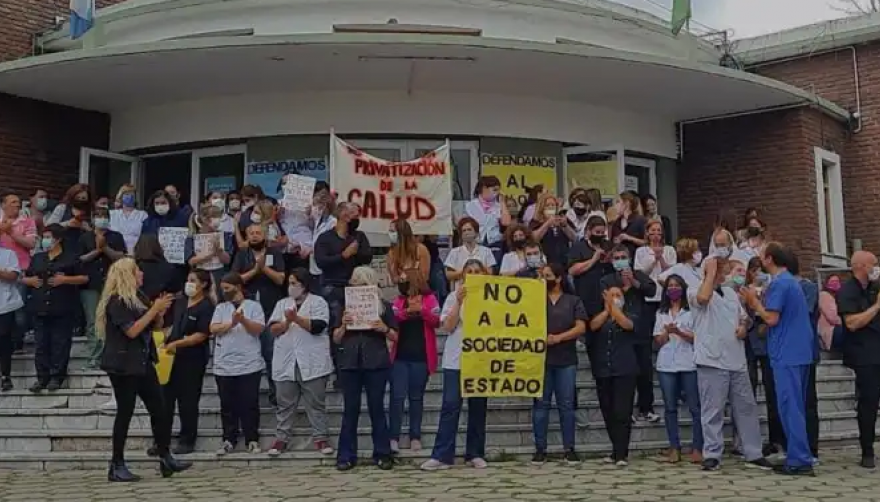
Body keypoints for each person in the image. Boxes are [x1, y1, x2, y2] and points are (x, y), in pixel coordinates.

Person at [96, 257, 190, 481]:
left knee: (160, 407)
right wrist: (153, 310)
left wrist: (158, 313)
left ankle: (165, 456)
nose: (141, 274)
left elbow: (153, 326)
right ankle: (116, 463)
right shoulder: (117, 302)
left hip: (143, 360)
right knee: (125, 412)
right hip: (122, 364)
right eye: (137, 271)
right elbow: (132, 331)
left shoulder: (139, 298)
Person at [689, 229, 772, 472]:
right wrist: (710, 270)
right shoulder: (694, 291)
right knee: (712, 410)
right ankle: (712, 453)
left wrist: (744, 327)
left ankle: (753, 452)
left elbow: (745, 319)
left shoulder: (731, 295)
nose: (722, 273)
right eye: (718, 270)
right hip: (711, 360)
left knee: (746, 408)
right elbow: (704, 299)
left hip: (736, 361)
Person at [740, 243, 815, 476]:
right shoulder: (790, 281)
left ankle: (799, 459)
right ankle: (797, 454)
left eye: (762, 256)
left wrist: (754, 302)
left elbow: (771, 318)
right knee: (795, 406)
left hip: (788, 352)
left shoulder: (781, 283)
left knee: (789, 406)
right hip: (799, 350)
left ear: (770, 259)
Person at [421, 259, 490, 471]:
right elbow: (447, 327)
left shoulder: (491, 297)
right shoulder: (453, 296)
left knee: (478, 407)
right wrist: (459, 302)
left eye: (477, 271)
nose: (474, 274)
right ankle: (442, 455)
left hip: (481, 359)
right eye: (469, 271)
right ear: (463, 275)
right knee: (450, 406)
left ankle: (475, 453)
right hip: (456, 359)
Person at [332, 266, 397, 471]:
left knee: (377, 408)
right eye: (354, 284)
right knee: (350, 409)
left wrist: (383, 328)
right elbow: (335, 337)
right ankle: (346, 455)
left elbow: (396, 336)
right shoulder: (343, 306)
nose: (357, 288)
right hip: (350, 362)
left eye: (361, 284)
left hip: (376, 361)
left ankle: (382, 453)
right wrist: (343, 325)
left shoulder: (384, 307)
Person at [267, 268, 334, 456]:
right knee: (285, 403)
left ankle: (321, 438)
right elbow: (273, 330)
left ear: (304, 285)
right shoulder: (282, 304)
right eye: (289, 283)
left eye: (294, 283)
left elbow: (318, 327)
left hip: (312, 360)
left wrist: (296, 318)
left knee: (315, 403)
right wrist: (287, 322)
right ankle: (281, 438)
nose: (291, 287)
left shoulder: (318, 302)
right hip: (286, 359)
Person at [532, 262, 587, 465]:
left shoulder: (573, 301)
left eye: (548, 275)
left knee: (566, 405)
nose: (545, 279)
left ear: (559, 278)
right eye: (543, 275)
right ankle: (540, 448)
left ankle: (569, 448)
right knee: (541, 405)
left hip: (566, 360)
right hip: (541, 360)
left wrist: (559, 338)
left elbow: (581, 327)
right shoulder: (536, 300)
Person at [22, 224, 88, 392]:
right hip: (39, 305)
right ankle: (41, 378)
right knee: (41, 344)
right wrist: (29, 282)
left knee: (60, 343)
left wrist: (65, 280)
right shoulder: (38, 258)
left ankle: (57, 376)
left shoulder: (71, 257)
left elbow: (84, 278)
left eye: (49, 237)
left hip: (62, 306)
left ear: (58, 239)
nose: (46, 240)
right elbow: (25, 276)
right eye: (44, 237)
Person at [210, 272, 266, 455]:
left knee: (249, 403)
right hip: (224, 365)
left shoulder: (254, 306)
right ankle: (228, 439)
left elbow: (259, 329)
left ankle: (252, 439)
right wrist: (232, 324)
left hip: (249, 364)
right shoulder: (220, 308)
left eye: (227, 288)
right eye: (222, 288)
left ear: (238, 287)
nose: (224, 291)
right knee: (227, 405)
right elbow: (214, 328)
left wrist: (243, 321)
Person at [601, 244, 658, 422]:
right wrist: (624, 289)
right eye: (616, 258)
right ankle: (627, 410)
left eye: (622, 257)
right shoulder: (607, 279)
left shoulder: (639, 274)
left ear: (629, 258)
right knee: (625, 373)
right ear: (611, 261)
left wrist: (633, 283)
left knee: (644, 370)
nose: (620, 261)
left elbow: (651, 290)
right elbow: (607, 299)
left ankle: (646, 408)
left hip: (640, 330)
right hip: (618, 332)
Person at [160, 270, 214, 455]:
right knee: (165, 401)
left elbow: (201, 334)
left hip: (192, 359)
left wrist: (178, 343)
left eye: (193, 280)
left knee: (188, 401)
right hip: (171, 359)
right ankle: (162, 440)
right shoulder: (181, 302)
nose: (189, 284)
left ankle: (187, 440)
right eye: (187, 280)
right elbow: (173, 325)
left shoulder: (206, 306)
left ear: (204, 284)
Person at [231, 224, 285, 404]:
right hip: (247, 309)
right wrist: (255, 270)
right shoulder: (242, 255)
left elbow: (280, 279)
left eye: (258, 233)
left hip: (270, 308)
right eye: (251, 233)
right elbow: (235, 281)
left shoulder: (274, 253)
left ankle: (275, 392)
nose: (254, 236)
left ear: (264, 235)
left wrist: (265, 268)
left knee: (270, 352)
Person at [836, 250, 880, 469]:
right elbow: (852, 323)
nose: (876, 268)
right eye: (874, 264)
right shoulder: (847, 291)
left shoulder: (875, 288)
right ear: (861, 266)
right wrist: (877, 307)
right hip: (864, 355)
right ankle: (867, 450)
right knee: (868, 402)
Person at [388, 268, 440, 454]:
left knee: (416, 398)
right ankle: (393, 437)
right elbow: (392, 319)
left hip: (421, 357)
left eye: (403, 279)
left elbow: (436, 320)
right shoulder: (399, 301)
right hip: (400, 357)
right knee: (397, 397)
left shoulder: (430, 299)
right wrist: (408, 311)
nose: (400, 281)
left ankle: (415, 436)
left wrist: (422, 311)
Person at [588, 283, 639, 466]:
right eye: (611, 295)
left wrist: (614, 308)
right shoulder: (601, 317)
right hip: (604, 370)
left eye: (617, 295)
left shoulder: (631, 314)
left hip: (624, 370)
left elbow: (627, 325)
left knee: (622, 412)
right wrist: (607, 309)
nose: (614, 297)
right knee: (608, 411)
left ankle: (621, 454)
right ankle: (615, 449)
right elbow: (593, 326)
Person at [653, 274, 702, 464]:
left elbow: (697, 337)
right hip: (667, 364)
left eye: (676, 285)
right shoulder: (661, 313)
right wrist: (667, 331)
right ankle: (674, 447)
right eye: (670, 286)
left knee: (695, 407)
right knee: (670, 407)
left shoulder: (692, 312)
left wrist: (679, 332)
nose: (673, 289)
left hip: (688, 363)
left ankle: (698, 447)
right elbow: (658, 340)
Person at [634, 220, 676, 420]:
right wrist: (653, 259)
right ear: (647, 233)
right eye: (653, 231)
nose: (656, 234)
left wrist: (662, 259)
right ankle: (644, 405)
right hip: (647, 300)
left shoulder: (670, 250)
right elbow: (640, 275)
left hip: (666, 300)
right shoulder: (641, 252)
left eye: (659, 231)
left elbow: (673, 274)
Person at [742, 257, 785, 457]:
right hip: (748, 342)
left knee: (772, 392)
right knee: (747, 390)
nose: (757, 273)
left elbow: (775, 314)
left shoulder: (772, 288)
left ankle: (776, 439)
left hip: (768, 343)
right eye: (754, 269)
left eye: (761, 269)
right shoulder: (743, 289)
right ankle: (748, 440)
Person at [78, 206, 127, 368]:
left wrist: (105, 248)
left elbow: (121, 256)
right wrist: (97, 250)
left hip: (112, 284)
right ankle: (94, 356)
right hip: (90, 284)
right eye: (97, 215)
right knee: (93, 321)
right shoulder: (85, 237)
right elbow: (80, 259)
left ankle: (109, 355)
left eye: (104, 215)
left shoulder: (116, 237)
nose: (101, 218)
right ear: (92, 219)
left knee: (110, 320)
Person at [0, 191, 37, 353]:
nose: (17, 204)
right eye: (13, 202)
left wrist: (11, 232)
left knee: (19, 309)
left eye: (18, 202)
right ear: (3, 205)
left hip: (21, 268)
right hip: (2, 269)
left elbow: (30, 243)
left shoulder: (28, 222)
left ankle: (17, 342)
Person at [185, 203, 233, 297]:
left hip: (220, 276)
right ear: (204, 219)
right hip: (200, 278)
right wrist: (210, 255)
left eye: (219, 217)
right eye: (215, 217)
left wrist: (219, 251)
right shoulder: (192, 238)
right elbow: (191, 261)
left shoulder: (225, 236)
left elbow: (227, 260)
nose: (218, 220)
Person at [465, 175, 511, 265]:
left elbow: (506, 222)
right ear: (484, 188)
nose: (497, 193)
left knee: (494, 269)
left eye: (498, 190)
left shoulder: (499, 206)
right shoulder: (470, 205)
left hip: (495, 242)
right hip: (476, 242)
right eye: (494, 190)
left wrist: (502, 202)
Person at [444, 217, 496, 291]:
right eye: (464, 230)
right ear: (461, 235)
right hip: (461, 293)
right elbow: (448, 275)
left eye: (469, 229)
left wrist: (478, 270)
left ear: (476, 233)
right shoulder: (454, 252)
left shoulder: (486, 251)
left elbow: (490, 273)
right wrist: (464, 272)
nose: (466, 232)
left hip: (482, 291)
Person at [0, 243, 23, 391]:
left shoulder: (8, 254)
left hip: (5, 305)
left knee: (4, 340)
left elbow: (14, 275)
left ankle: (5, 376)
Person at [529, 193, 575, 268]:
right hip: (544, 262)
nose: (551, 207)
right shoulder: (535, 222)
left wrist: (565, 226)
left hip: (563, 262)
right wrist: (547, 223)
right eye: (547, 205)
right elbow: (534, 239)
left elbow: (574, 238)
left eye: (553, 205)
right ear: (541, 207)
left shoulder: (562, 218)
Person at [387, 218, 430, 284]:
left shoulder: (421, 249)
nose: (390, 234)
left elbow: (425, 276)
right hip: (403, 291)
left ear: (401, 233)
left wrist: (406, 276)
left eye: (392, 231)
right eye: (389, 231)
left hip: (420, 291)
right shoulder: (391, 253)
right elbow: (394, 279)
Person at [110, 184, 148, 255]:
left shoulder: (143, 215)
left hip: (135, 253)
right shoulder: (112, 214)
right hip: (114, 253)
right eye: (126, 194)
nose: (129, 196)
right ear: (120, 196)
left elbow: (145, 236)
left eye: (132, 194)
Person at [609, 192, 646, 261]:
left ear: (626, 203)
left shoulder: (640, 220)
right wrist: (615, 243)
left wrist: (630, 238)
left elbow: (648, 243)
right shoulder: (616, 223)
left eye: (618, 202)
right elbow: (611, 245)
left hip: (637, 262)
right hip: (620, 262)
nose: (615, 206)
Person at [818, 274, 843, 351]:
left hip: (837, 329)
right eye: (832, 281)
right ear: (827, 283)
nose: (835, 283)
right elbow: (832, 318)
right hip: (830, 332)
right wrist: (846, 320)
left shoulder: (838, 297)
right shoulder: (824, 295)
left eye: (837, 281)